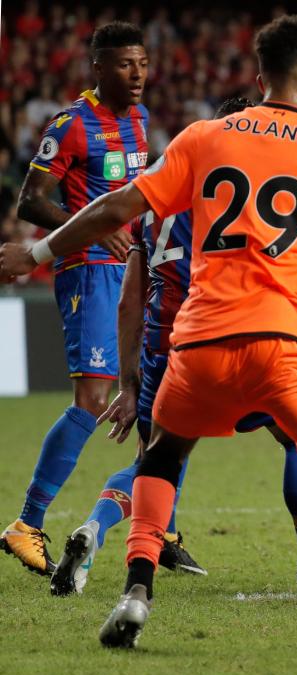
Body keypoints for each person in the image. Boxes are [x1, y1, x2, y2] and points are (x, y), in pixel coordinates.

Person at [0, 15, 297, 660]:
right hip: (289, 346)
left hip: (199, 345)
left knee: (161, 457)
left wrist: (37, 250)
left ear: (259, 75)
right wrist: (291, 293)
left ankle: (134, 594)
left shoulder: (204, 137)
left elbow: (114, 209)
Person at [49, 97, 297, 597]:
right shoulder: (238, 189)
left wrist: (130, 381)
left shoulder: (158, 190)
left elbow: (131, 298)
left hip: (159, 347)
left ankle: (93, 529)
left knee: (156, 464)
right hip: (227, 331)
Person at [0, 22, 176, 577]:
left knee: (156, 391)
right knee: (94, 398)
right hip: (86, 271)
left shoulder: (140, 120)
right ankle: (27, 523)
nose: (138, 74)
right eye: (126, 64)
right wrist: (95, 230)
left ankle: (160, 523)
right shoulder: (72, 125)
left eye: (143, 63)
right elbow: (31, 202)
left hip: (130, 272)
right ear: (98, 68)